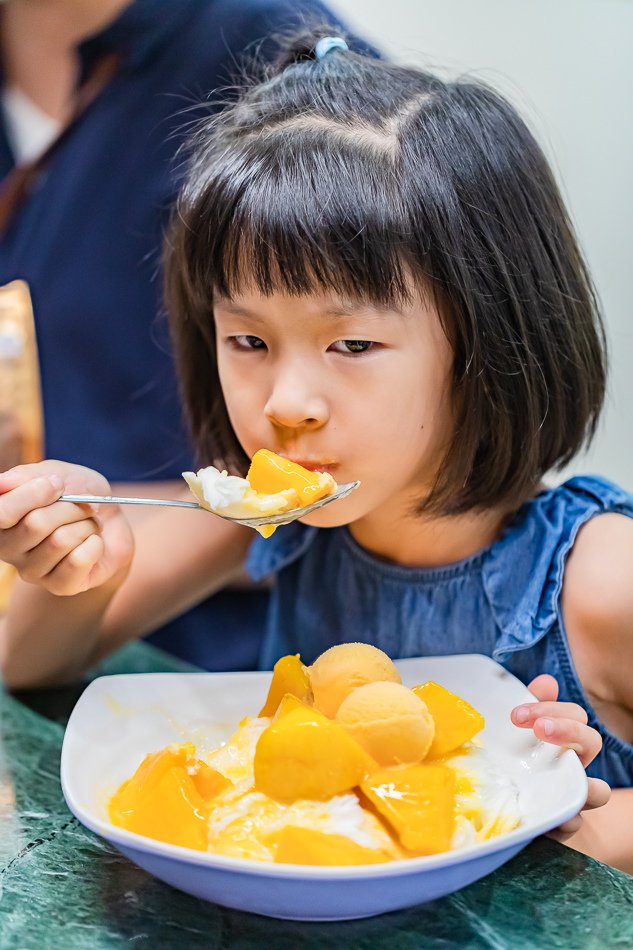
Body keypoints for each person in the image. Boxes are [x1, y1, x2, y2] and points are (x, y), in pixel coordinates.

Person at [0, 32, 630, 869]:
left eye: (353, 345)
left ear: (490, 340)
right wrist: (84, 572)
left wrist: (586, 831)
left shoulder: (598, 580)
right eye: (248, 341)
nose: (286, 405)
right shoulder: (269, 519)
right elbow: (27, 663)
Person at [0, 0, 363, 670]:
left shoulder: (292, 73)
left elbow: (361, 486)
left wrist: (96, 533)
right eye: (246, 342)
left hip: (222, 662)